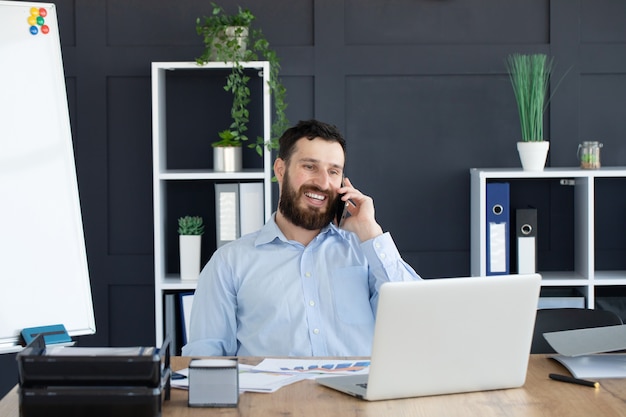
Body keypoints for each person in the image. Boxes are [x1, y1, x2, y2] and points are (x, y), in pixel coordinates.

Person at [182, 119, 421, 357]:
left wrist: (370, 231)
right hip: (271, 395)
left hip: (355, 394)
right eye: (310, 166)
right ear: (280, 170)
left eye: (333, 171)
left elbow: (416, 322)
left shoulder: (366, 252)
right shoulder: (228, 262)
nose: (323, 182)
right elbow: (205, 358)